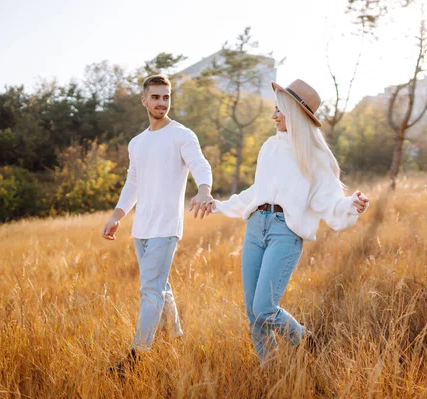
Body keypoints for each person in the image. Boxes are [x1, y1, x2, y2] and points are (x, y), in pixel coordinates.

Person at [195, 79, 369, 362]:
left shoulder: (315, 156)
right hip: (255, 226)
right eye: (274, 109)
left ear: (296, 113)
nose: (273, 116)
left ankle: (307, 342)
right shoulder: (269, 147)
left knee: (265, 307)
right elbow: (257, 191)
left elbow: (326, 199)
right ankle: (271, 368)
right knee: (253, 312)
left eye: (280, 110)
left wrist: (352, 205)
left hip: (284, 232)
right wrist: (219, 206)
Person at [103, 74, 214, 374]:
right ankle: (176, 335)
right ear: (144, 100)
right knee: (160, 286)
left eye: (166, 97)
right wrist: (117, 215)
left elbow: (200, 164)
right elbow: (133, 182)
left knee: (149, 290)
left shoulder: (182, 134)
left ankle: (136, 358)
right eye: (156, 97)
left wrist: (204, 189)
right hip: (142, 229)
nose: (161, 102)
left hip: (166, 227)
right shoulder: (137, 143)